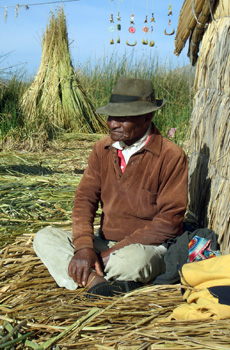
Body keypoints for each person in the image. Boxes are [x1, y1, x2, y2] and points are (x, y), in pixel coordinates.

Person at [33, 77, 188, 297]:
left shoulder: (170, 156)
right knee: (44, 237)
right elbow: (84, 200)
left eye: (123, 118)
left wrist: (109, 254)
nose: (113, 124)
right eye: (111, 117)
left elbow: (169, 222)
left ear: (147, 117)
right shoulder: (102, 150)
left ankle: (86, 274)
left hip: (144, 248)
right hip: (103, 242)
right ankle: (93, 278)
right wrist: (85, 247)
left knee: (135, 263)